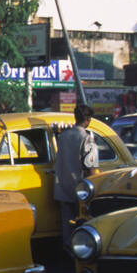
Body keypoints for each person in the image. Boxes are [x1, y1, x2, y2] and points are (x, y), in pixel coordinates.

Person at [55, 103, 99, 253]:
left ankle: (68, 252)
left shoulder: (63, 136)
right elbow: (90, 167)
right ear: (88, 119)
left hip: (62, 187)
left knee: (67, 226)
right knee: (83, 225)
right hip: (80, 190)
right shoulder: (86, 138)